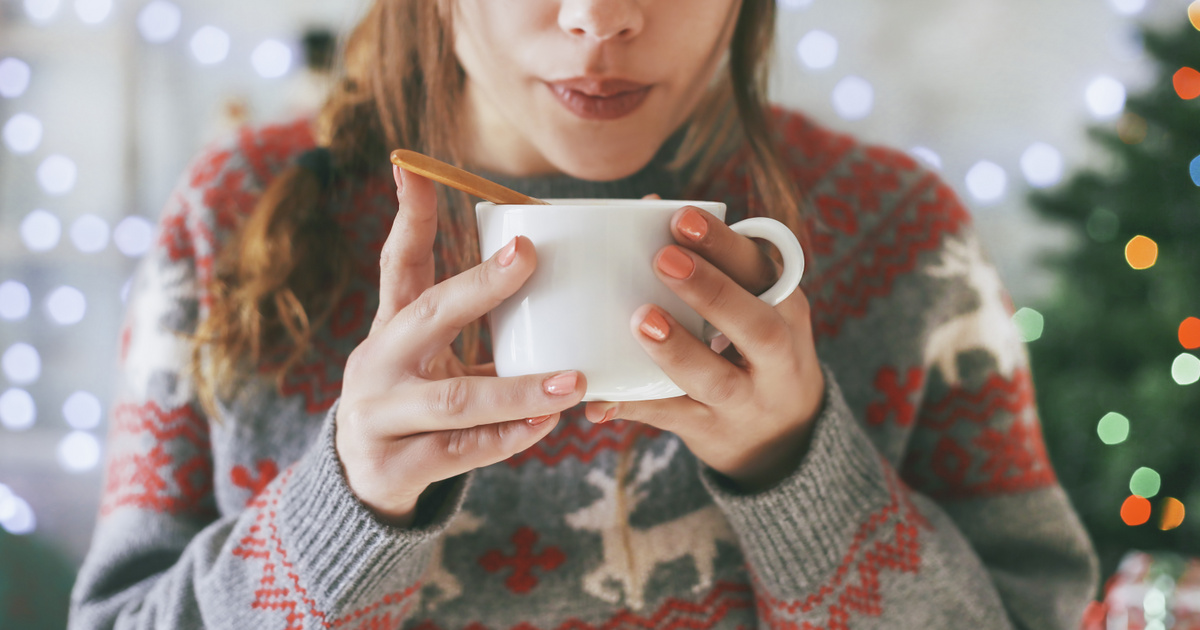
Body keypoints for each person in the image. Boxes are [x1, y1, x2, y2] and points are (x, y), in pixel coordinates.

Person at [70, 0, 1099, 628]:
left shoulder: (902, 235)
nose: (599, 18)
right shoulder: (238, 213)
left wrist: (798, 468)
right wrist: (351, 504)